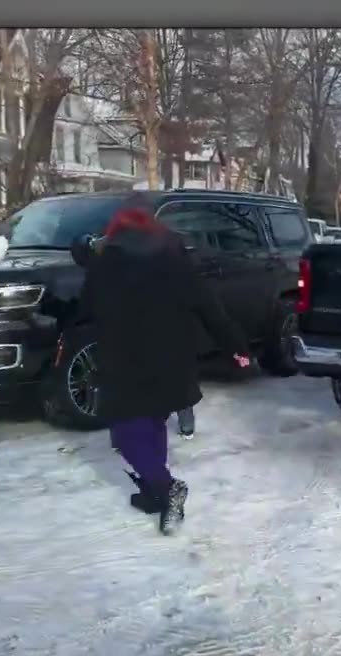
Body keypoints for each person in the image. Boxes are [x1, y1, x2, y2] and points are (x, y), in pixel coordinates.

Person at [75, 195, 251, 535]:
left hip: (126, 360)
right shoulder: (175, 258)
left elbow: (86, 308)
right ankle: (156, 494)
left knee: (126, 433)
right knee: (153, 422)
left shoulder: (107, 261)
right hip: (173, 359)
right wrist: (236, 347)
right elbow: (208, 306)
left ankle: (167, 486)